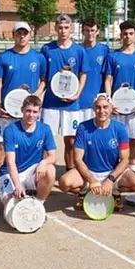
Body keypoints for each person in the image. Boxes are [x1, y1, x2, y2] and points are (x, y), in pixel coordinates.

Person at [0, 22, 47, 200]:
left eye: (25, 33)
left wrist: (33, 98)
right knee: (1, 145)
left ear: (30, 34)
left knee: (33, 145)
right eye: (18, 33)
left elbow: (44, 81)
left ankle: (30, 181)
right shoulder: (4, 57)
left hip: (29, 112)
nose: (22, 36)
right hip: (7, 111)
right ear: (13, 35)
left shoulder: (38, 58)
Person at [58, 94, 135, 211]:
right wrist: (92, 181)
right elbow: (77, 159)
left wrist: (110, 180)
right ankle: (84, 192)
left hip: (111, 172)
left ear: (111, 108)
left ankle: (114, 192)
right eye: (98, 107)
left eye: (105, 107)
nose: (101, 111)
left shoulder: (120, 129)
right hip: (89, 172)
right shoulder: (83, 127)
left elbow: (125, 160)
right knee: (64, 183)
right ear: (93, 108)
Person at [41, 14, 90, 171]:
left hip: (71, 104)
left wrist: (77, 94)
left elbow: (83, 74)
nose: (63, 31)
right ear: (55, 28)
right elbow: (43, 77)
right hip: (50, 104)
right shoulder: (47, 49)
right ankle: (45, 171)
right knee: (46, 139)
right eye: (60, 27)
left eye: (66, 27)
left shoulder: (79, 51)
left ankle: (70, 171)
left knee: (71, 140)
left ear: (72, 29)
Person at [103, 20, 135, 170]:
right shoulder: (112, 56)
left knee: (132, 140)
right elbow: (108, 80)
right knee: (114, 139)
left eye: (131, 33)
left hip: (134, 107)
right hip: (117, 107)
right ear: (121, 35)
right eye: (125, 34)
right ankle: (114, 169)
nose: (128, 36)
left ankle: (133, 170)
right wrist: (110, 102)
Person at [0, 95, 57, 203]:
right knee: (10, 205)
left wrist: (43, 163)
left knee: (50, 170)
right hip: (11, 173)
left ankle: (39, 203)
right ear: (22, 110)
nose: (31, 115)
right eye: (28, 111)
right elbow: (10, 162)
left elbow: (53, 156)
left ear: (39, 112)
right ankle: (17, 191)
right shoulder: (10, 131)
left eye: (35, 112)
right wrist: (17, 186)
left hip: (31, 171)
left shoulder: (45, 129)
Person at [78, 19, 110, 122]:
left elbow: (108, 77)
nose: (90, 33)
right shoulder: (77, 50)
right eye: (87, 30)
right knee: (74, 136)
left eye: (93, 30)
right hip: (78, 101)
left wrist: (107, 97)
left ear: (97, 32)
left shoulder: (104, 50)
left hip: (97, 101)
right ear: (82, 32)